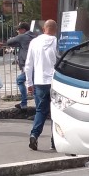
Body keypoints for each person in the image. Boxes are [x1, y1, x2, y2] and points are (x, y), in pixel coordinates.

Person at [25, 19, 58, 150]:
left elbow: (28, 65)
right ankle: (54, 140)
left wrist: (29, 83)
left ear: (44, 29)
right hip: (56, 82)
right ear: (55, 30)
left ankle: (34, 135)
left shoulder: (34, 42)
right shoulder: (57, 42)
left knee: (40, 111)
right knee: (56, 112)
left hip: (39, 82)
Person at [6, 22, 37, 110]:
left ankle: (25, 104)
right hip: (36, 64)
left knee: (20, 81)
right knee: (34, 86)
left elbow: (9, 42)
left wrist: (17, 38)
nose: (17, 31)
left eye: (18, 30)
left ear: (23, 30)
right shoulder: (34, 36)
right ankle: (31, 105)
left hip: (28, 65)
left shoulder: (22, 36)